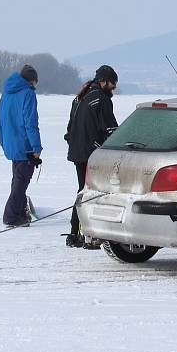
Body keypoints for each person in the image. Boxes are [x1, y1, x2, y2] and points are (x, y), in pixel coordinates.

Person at [64, 65, 119, 247]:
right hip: (91, 155)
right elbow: (111, 130)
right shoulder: (101, 99)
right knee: (91, 194)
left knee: (83, 191)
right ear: (103, 81)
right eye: (112, 83)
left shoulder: (79, 98)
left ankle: (74, 234)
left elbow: (69, 130)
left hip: (77, 152)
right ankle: (86, 236)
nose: (114, 88)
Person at [0, 65, 42, 227]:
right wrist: (36, 147)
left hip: (10, 144)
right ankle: (11, 216)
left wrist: (4, 142)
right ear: (31, 80)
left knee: (18, 180)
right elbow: (30, 123)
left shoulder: (6, 94)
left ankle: (21, 213)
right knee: (21, 182)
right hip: (25, 146)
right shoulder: (28, 94)